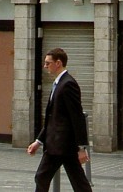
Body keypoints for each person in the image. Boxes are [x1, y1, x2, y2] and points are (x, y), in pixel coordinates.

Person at [27, 47, 93, 192]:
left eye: (47, 63)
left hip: (63, 145)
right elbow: (53, 118)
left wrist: (82, 147)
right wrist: (38, 141)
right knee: (45, 178)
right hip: (57, 144)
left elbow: (77, 117)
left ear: (58, 63)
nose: (45, 66)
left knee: (75, 182)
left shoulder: (68, 84)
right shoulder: (59, 83)